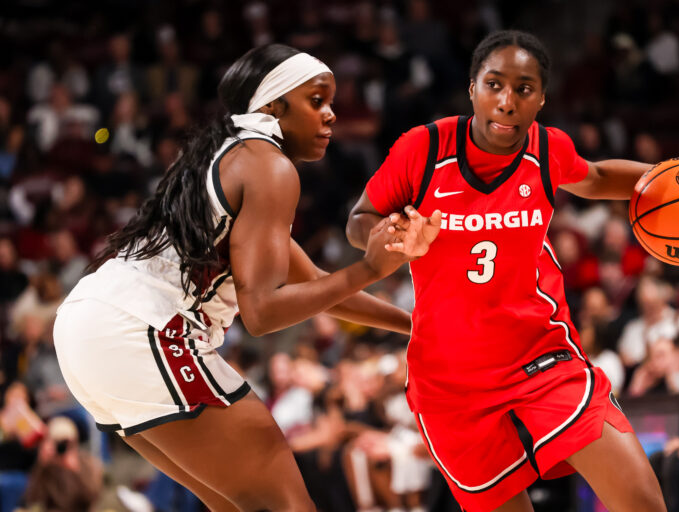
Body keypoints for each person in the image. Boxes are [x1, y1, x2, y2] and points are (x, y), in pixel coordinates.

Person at [346, 30, 679, 512]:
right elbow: (358, 220)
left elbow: (595, 178)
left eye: (524, 88)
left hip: (542, 358)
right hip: (450, 383)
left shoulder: (547, 148)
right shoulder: (423, 149)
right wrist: (391, 236)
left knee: (644, 504)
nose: (507, 101)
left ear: (542, 99)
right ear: (472, 88)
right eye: (494, 84)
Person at [53, 44, 434, 512]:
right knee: (290, 506)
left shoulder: (229, 155)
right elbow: (263, 313)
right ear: (272, 106)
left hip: (90, 325)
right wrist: (370, 268)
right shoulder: (269, 166)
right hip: (141, 326)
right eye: (317, 101)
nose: (332, 115)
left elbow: (315, 283)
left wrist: (418, 327)